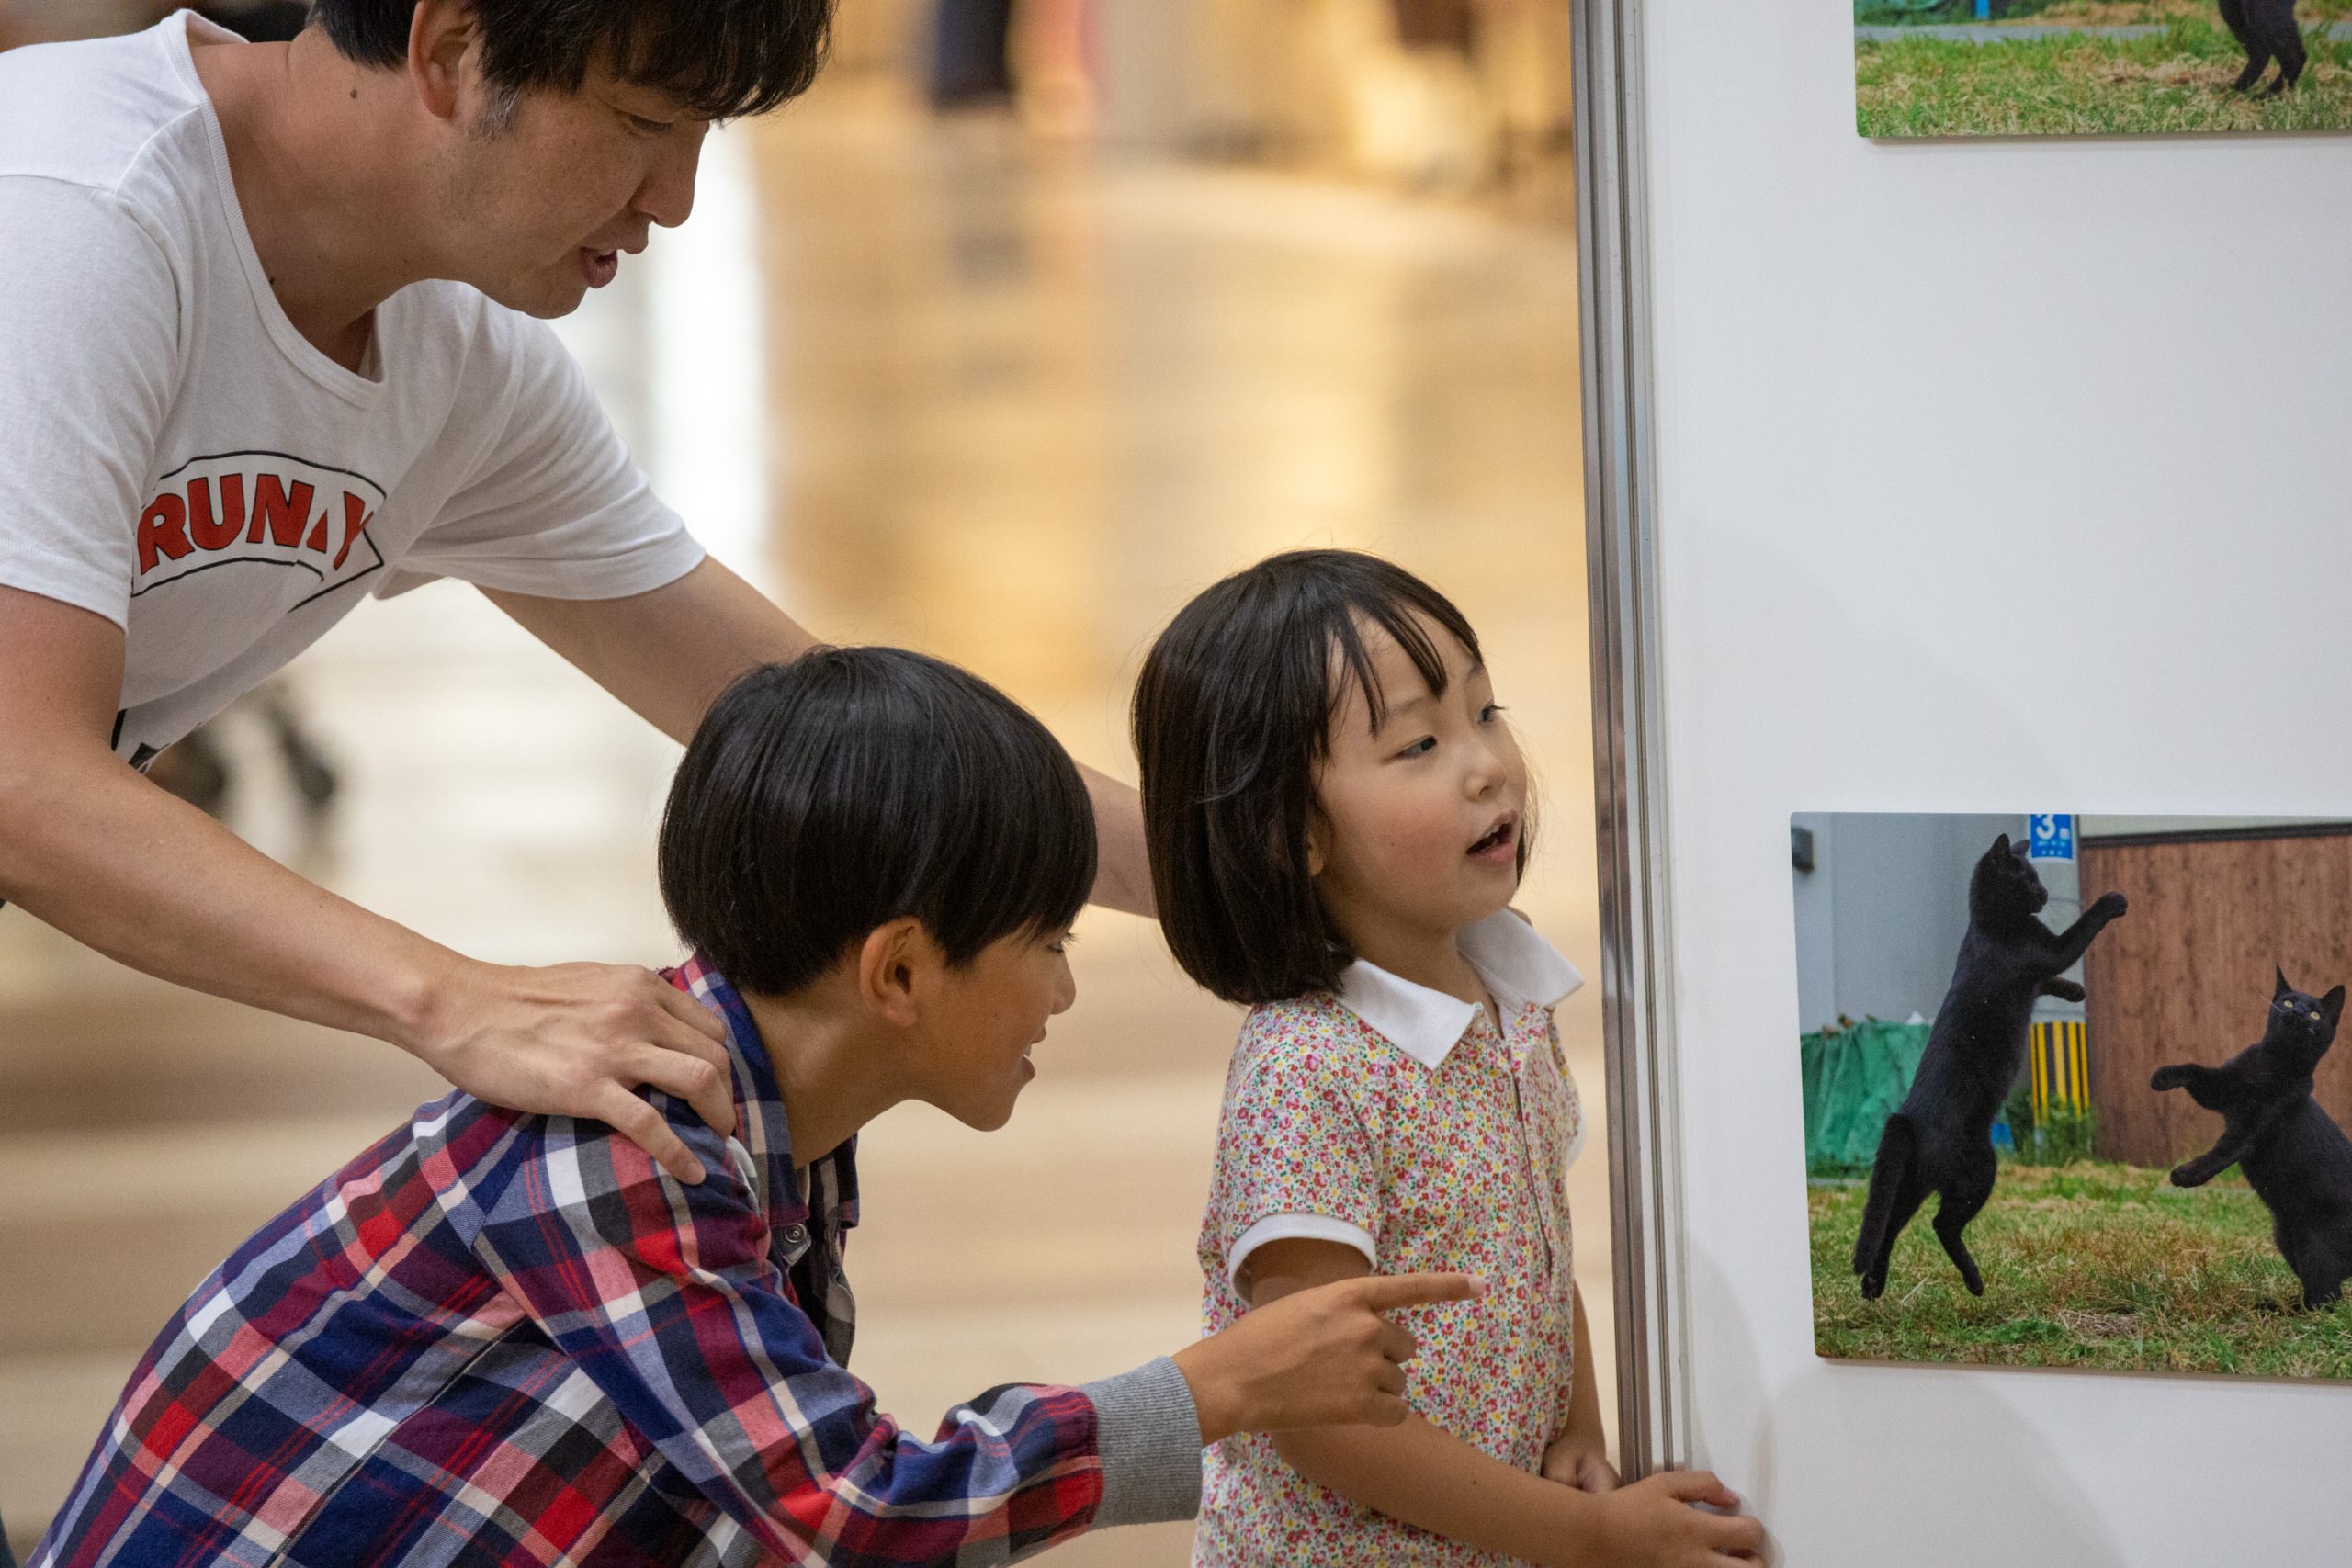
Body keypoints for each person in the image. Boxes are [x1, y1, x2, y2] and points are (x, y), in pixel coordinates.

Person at [0, 0, 1158, 1201]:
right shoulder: (76, 216)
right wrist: (453, 995)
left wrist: (1246, 882)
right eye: (643, 122)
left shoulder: (453, 363)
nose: (675, 199)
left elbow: (815, 720)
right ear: (451, 50)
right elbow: (22, 775)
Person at [31, 647, 1483, 1568]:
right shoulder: (627, 1142)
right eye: (1049, 941)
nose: (1062, 992)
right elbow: (850, 1510)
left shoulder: (756, 1119)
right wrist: (1213, 1388)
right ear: (901, 968)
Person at [1132, 551, 1765, 1567]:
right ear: (1294, 832)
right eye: (1419, 742)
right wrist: (1589, 1537)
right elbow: (1313, 1409)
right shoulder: (1306, 1074)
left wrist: (1577, 1428)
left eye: (1486, 710)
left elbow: (1539, 1248)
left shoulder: (1506, 991)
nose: (1487, 764)